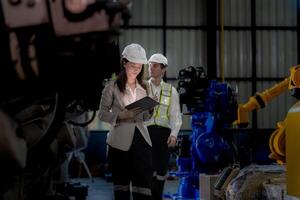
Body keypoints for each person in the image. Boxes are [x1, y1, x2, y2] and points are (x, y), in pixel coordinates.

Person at [98, 43, 153, 200]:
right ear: (124, 62)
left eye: (139, 66)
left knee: (143, 187)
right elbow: (102, 114)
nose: (136, 69)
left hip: (142, 141)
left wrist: (150, 109)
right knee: (121, 187)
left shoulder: (144, 88)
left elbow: (145, 118)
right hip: (119, 143)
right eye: (133, 65)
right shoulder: (112, 87)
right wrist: (121, 116)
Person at [146, 53, 182, 200]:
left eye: (155, 65)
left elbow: (175, 115)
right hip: (146, 134)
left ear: (163, 69)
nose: (151, 68)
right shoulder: (141, 88)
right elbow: (133, 111)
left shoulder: (171, 90)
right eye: (149, 65)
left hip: (164, 136)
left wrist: (174, 134)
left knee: (161, 172)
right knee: (148, 170)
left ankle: (157, 197)